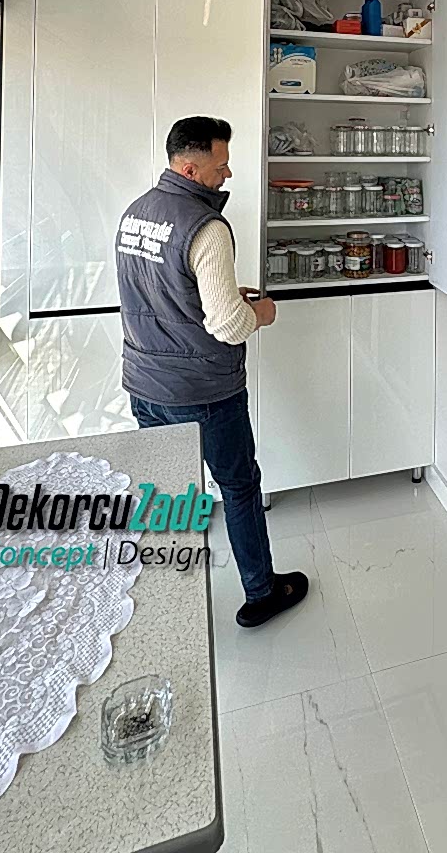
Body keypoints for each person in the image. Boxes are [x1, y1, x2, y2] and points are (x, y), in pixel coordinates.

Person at [116, 115, 308, 627]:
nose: (227, 174)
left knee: (168, 494)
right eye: (219, 166)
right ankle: (261, 593)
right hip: (202, 389)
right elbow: (228, 326)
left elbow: (164, 293)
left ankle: (166, 605)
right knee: (238, 486)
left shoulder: (136, 214)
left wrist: (222, 296)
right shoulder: (206, 227)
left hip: (145, 382)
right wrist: (260, 313)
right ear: (189, 167)